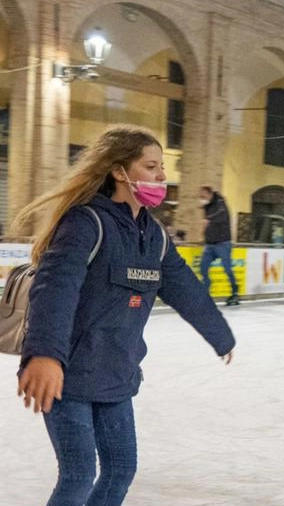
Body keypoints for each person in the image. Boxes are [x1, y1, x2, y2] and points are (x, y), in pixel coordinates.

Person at [12, 125, 236, 506]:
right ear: (120, 171)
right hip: (69, 375)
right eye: (151, 166)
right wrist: (45, 355)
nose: (162, 176)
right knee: (79, 475)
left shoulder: (154, 236)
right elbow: (55, 288)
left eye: (162, 167)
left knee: (120, 471)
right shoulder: (86, 222)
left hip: (117, 372)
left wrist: (220, 335)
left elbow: (187, 290)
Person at [198, 185, 239, 306]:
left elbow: (222, 216)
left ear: (210, 194)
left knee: (227, 269)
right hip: (210, 244)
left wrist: (208, 219)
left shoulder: (220, 202)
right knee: (203, 268)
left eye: (203, 196)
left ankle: (234, 293)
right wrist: (203, 236)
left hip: (223, 243)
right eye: (200, 197)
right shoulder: (207, 206)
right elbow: (207, 223)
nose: (202, 199)